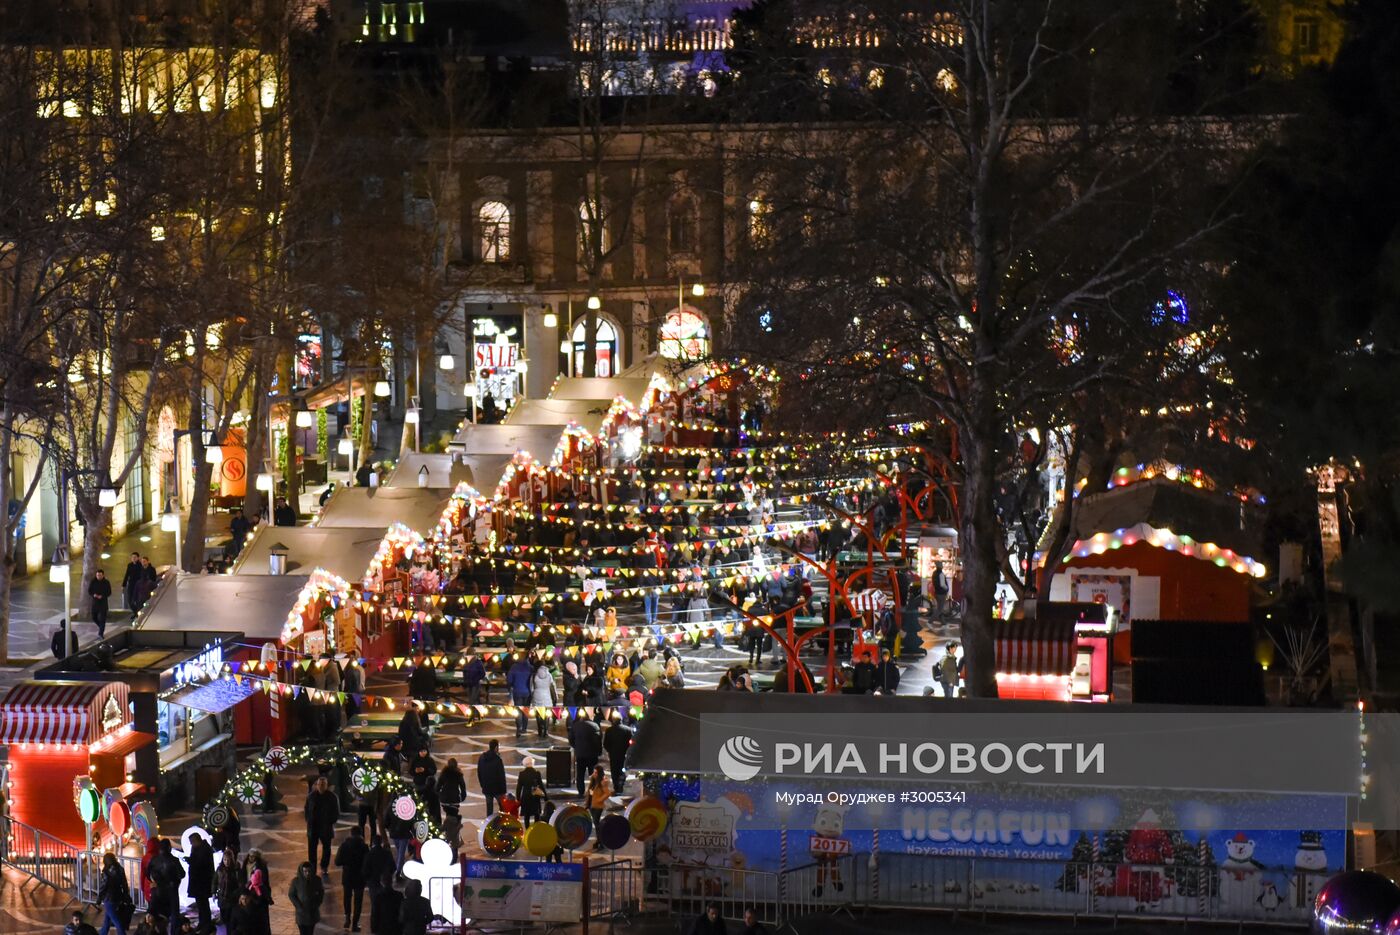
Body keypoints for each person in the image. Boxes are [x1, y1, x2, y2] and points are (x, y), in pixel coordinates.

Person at [334, 826, 370, 932]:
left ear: (351, 833)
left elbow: (337, 862)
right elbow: (367, 862)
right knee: (358, 901)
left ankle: (347, 918)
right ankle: (355, 924)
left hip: (348, 876)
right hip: (360, 877)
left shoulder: (344, 845)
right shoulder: (364, 847)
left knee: (347, 898)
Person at [304, 776, 339, 878]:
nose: (321, 786)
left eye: (323, 785)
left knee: (327, 849)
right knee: (312, 850)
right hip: (313, 827)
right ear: (317, 785)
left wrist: (330, 821)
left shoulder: (332, 797)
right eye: (319, 784)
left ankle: (324, 866)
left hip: (326, 827)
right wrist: (308, 820)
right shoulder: (311, 796)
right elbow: (306, 809)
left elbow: (336, 812)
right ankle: (312, 867)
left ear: (326, 786)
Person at [96, 852, 132, 935]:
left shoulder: (106, 872)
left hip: (109, 899)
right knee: (107, 920)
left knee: (116, 921)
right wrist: (126, 894)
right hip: (118, 896)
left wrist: (99, 898)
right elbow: (124, 883)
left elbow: (103, 887)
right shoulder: (120, 869)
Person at [186, 832, 214, 933]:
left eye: (191, 842)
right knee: (201, 905)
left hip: (203, 882)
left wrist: (191, 861)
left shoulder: (204, 850)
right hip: (198, 882)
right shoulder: (198, 848)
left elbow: (202, 865)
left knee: (204, 905)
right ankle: (203, 923)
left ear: (196, 840)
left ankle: (206, 924)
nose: (191, 845)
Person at [569, 715, 603, 798]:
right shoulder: (595, 726)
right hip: (592, 754)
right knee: (594, 774)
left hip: (580, 754)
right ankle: (593, 791)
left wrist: (576, 747)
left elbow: (571, 739)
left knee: (580, 774)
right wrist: (599, 751)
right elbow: (598, 740)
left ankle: (581, 792)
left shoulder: (575, 726)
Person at [287, 861, 324, 935]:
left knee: (310, 932)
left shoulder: (316, 880)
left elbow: (321, 892)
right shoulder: (296, 881)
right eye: (305, 871)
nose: (307, 873)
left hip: (312, 913)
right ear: (301, 871)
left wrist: (316, 903)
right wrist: (298, 906)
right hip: (301, 914)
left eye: (309, 871)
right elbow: (291, 894)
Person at [477, 739, 507, 816]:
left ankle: (489, 825)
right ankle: (502, 823)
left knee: (489, 810)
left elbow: (479, 772)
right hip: (498, 790)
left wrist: (482, 784)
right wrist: (504, 790)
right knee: (503, 808)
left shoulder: (482, 758)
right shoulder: (498, 760)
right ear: (496, 747)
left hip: (487, 788)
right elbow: (501, 776)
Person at [214, 847, 241, 935]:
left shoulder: (236, 870)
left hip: (232, 899)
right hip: (222, 898)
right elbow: (214, 881)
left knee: (231, 920)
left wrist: (237, 895)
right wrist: (214, 892)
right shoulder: (220, 869)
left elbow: (240, 884)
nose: (226, 862)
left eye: (228, 860)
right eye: (225, 859)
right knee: (225, 918)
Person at [603, 717, 634, 793]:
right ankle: (620, 785)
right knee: (622, 769)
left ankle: (616, 787)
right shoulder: (628, 730)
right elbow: (631, 743)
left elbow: (605, 744)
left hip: (613, 754)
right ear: (621, 720)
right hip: (623, 754)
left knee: (614, 771)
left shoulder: (609, 730)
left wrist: (610, 750)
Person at [506, 653, 534, 737]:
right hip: (527, 692)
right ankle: (524, 728)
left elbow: (509, 679)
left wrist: (511, 686)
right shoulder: (530, 668)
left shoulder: (514, 667)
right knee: (525, 710)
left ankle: (519, 728)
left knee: (518, 710)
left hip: (517, 692)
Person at [516, 756, 546, 828]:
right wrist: (546, 797)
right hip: (535, 796)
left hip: (525, 797)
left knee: (527, 816)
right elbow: (541, 785)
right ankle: (536, 830)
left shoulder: (522, 774)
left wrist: (518, 798)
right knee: (536, 814)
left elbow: (519, 787)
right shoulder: (536, 773)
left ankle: (527, 831)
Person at [436, 757, 467, 825]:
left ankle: (447, 828)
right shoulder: (459, 774)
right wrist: (462, 797)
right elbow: (463, 787)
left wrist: (439, 795)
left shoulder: (444, 773)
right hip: (454, 799)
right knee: (454, 815)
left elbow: (438, 786)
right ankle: (453, 830)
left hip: (445, 800)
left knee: (448, 814)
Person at [586, 764, 612, 829]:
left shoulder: (602, 782)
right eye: (594, 772)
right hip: (591, 804)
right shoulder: (593, 780)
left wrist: (599, 799)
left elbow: (607, 793)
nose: (594, 774)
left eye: (596, 772)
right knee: (595, 822)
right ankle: (599, 836)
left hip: (598, 806)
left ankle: (600, 836)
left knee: (596, 822)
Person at [89, 569, 112, 638]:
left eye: (100, 575)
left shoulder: (106, 582)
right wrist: (94, 595)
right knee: (94, 617)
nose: (98, 576)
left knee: (102, 618)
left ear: (103, 575)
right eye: (97, 575)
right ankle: (101, 627)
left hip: (103, 603)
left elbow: (109, 592)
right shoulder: (93, 582)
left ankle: (101, 633)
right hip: (95, 603)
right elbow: (90, 590)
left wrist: (102, 596)